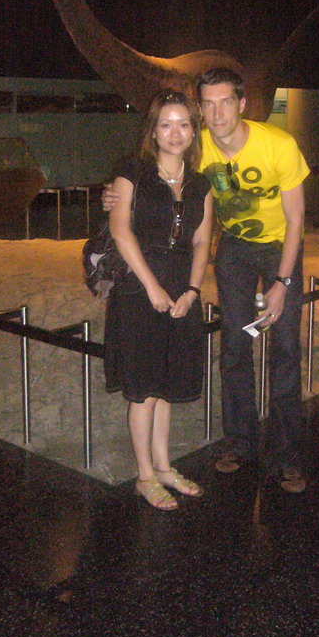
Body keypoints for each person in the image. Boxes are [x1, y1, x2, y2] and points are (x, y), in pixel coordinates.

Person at [104, 67, 310, 493]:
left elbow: (296, 220)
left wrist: (282, 282)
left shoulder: (279, 145)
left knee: (286, 347)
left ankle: (287, 454)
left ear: (242, 103)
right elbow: (148, 179)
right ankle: (240, 442)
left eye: (225, 101)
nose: (217, 112)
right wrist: (113, 193)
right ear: (200, 108)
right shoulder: (199, 154)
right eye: (208, 103)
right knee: (236, 344)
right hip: (234, 248)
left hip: (278, 249)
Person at [105, 90, 213, 510]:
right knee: (143, 387)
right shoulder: (133, 171)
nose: (175, 132)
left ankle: (165, 466)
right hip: (139, 286)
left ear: (193, 130)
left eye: (183, 123)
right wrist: (152, 286)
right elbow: (120, 230)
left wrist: (191, 290)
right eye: (165, 124)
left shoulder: (200, 182)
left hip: (182, 287)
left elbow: (203, 238)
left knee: (166, 384)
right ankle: (145, 476)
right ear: (152, 130)